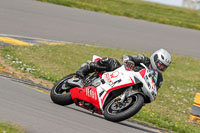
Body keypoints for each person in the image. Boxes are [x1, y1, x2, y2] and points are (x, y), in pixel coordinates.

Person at [76, 49, 171, 90]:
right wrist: (128, 61)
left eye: (164, 67)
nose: (161, 67)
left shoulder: (159, 79)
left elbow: (154, 90)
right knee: (110, 61)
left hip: (132, 86)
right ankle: (84, 69)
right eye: (160, 64)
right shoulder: (144, 59)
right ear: (155, 58)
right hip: (121, 73)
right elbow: (127, 56)